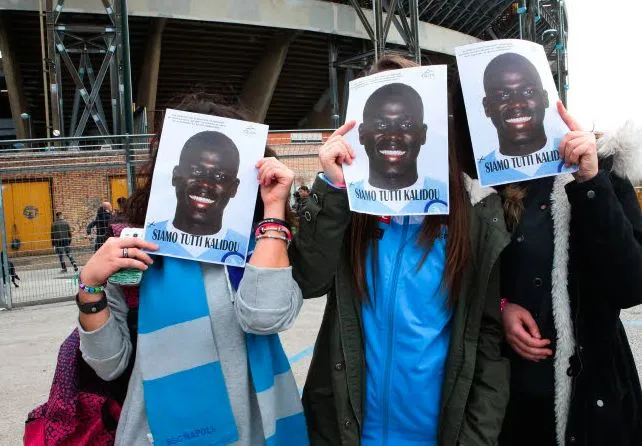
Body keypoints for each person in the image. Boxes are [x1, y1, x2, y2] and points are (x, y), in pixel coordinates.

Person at [292, 54, 510, 445]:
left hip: (439, 433)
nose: (392, 133)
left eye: (407, 122)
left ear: (429, 131)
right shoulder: (352, 208)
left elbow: (488, 339)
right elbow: (309, 280)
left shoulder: (476, 212)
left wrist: (477, 437)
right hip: (351, 431)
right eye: (379, 122)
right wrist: (333, 188)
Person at [75, 94, 308, 445]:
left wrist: (274, 209)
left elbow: (265, 318)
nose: (206, 182)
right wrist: (90, 284)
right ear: (174, 173)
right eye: (196, 170)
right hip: (157, 431)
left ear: (235, 187)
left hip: (255, 430)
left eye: (221, 174)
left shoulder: (261, 249)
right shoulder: (133, 252)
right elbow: (108, 364)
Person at [498, 105, 642, 445]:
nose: (517, 106)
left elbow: (631, 285)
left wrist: (590, 181)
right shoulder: (485, 181)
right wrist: (500, 306)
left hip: (592, 399)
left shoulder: (601, 169)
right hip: (510, 402)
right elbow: (464, 279)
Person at [348, 82, 448, 214]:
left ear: (423, 134)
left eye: (406, 125)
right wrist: (330, 185)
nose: (393, 135)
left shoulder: (447, 195)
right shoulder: (345, 197)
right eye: (381, 124)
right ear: (362, 134)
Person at [477, 52, 574, 185]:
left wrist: (590, 179)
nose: (517, 103)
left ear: (545, 98)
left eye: (528, 92)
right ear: (486, 107)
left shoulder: (573, 155)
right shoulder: (478, 173)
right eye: (503, 95)